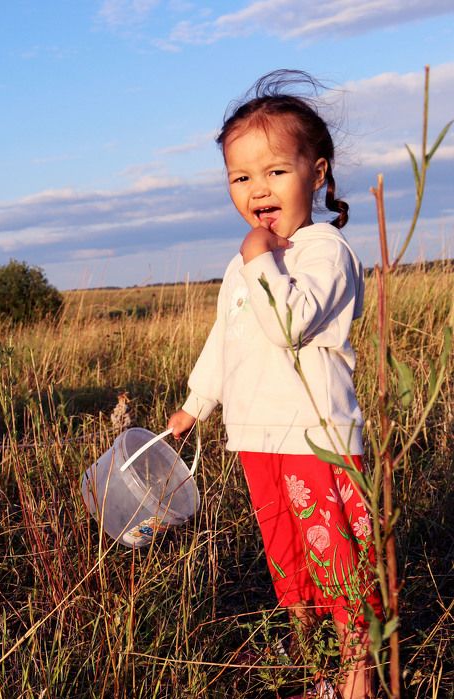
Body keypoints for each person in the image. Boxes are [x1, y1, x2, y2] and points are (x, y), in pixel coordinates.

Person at [167, 70, 380, 699]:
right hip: (257, 436)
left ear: (317, 174)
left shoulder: (323, 252)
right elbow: (226, 342)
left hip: (317, 440)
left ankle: (357, 674)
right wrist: (194, 405)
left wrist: (261, 255)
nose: (258, 189)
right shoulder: (245, 263)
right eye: (241, 177)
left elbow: (288, 322)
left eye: (276, 172)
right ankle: (314, 669)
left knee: (338, 558)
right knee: (288, 557)